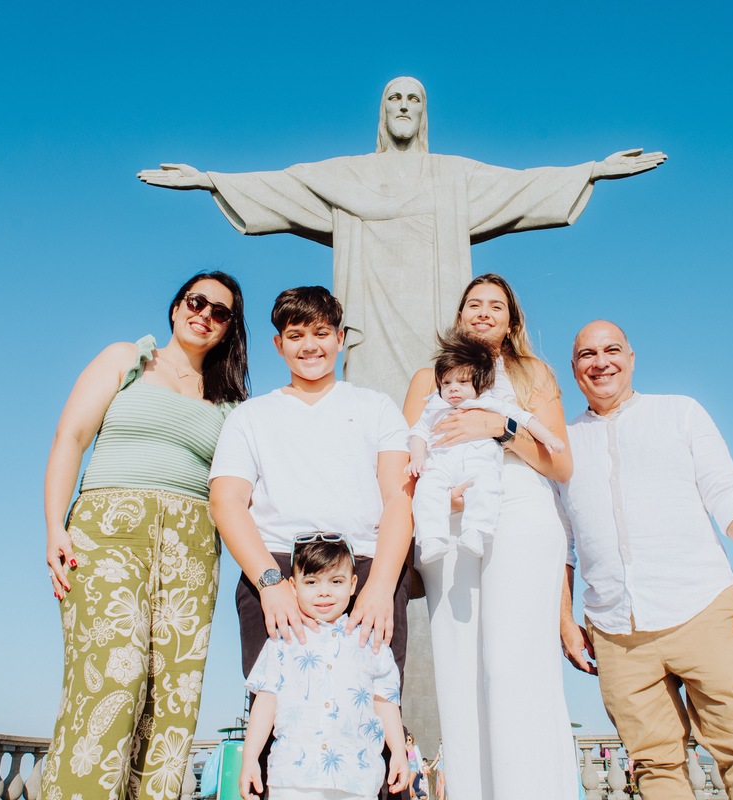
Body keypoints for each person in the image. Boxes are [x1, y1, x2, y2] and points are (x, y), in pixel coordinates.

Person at [138, 76, 666, 402]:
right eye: (395, 98)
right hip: (371, 322)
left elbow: (520, 185)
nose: (405, 106)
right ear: (383, 111)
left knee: (444, 402)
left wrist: (591, 171)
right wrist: (211, 180)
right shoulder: (347, 177)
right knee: (375, 422)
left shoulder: (452, 177)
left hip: (436, 318)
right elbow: (285, 184)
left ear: (424, 111)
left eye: (414, 98)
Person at [556, 320, 733, 800]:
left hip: (700, 608)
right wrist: (564, 618)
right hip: (615, 630)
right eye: (587, 354)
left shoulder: (680, 413)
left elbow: (726, 491)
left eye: (612, 350)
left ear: (631, 357)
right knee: (653, 765)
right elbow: (560, 542)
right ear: (574, 368)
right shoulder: (560, 446)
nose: (601, 361)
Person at [40, 272, 250, 800]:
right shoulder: (126, 359)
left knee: (173, 693)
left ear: (228, 328)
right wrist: (53, 528)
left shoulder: (230, 402)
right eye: (195, 301)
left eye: (219, 311)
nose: (204, 313)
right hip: (110, 529)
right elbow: (71, 437)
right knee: (114, 673)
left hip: (194, 544)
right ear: (177, 306)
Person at [208, 285, 414, 794]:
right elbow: (226, 502)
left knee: (376, 713)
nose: (310, 345)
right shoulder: (250, 416)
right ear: (279, 345)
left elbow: (398, 501)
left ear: (340, 339)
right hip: (277, 568)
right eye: (296, 335)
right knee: (279, 715)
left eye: (322, 333)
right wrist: (272, 582)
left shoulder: (375, 407)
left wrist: (382, 583)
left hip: (365, 569)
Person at [401, 274, 574, 800]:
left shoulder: (531, 374)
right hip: (447, 524)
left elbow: (562, 463)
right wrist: (439, 497)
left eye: (495, 305)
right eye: (473, 304)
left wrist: (499, 429)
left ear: (511, 319)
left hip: (517, 509)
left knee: (514, 661)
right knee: (458, 668)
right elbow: (407, 460)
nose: (483, 312)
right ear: (459, 316)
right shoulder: (426, 379)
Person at [240, 536, 409, 800]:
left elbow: (385, 700)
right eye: (311, 582)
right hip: (292, 779)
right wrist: (250, 758)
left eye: (336, 581)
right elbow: (266, 699)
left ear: (353, 584)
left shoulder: (369, 641)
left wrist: (399, 751)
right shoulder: (282, 641)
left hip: (357, 779)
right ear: (293, 587)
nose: (324, 592)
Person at [407, 332, 564, 562]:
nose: (453, 389)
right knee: (427, 490)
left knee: (487, 486)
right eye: (447, 383)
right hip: (441, 463)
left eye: (462, 382)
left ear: (478, 385)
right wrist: (417, 458)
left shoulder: (489, 403)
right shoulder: (435, 406)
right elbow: (418, 432)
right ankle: (431, 539)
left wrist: (549, 437)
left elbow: (524, 418)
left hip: (478, 462)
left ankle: (476, 532)